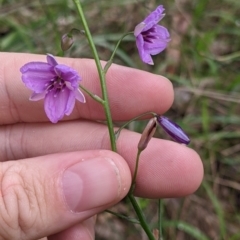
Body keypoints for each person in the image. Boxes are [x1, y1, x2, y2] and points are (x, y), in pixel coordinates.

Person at [0, 52, 203, 240]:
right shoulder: (61, 84)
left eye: (62, 80)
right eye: (58, 81)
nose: (59, 82)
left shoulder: (68, 83)